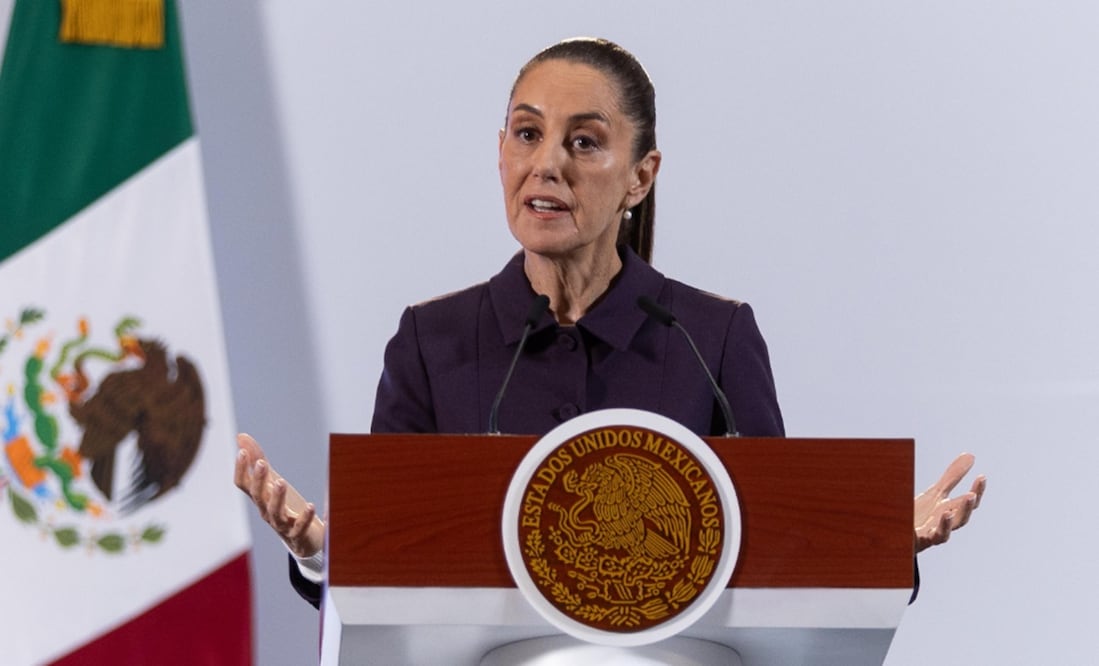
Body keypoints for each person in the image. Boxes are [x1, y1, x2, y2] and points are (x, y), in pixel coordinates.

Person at [234, 37, 985, 609]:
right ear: (499, 153)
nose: (547, 164)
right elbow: (388, 569)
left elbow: (771, 549)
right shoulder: (431, 342)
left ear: (640, 175)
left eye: (584, 142)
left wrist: (881, 545)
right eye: (526, 134)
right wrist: (326, 554)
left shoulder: (710, 336)